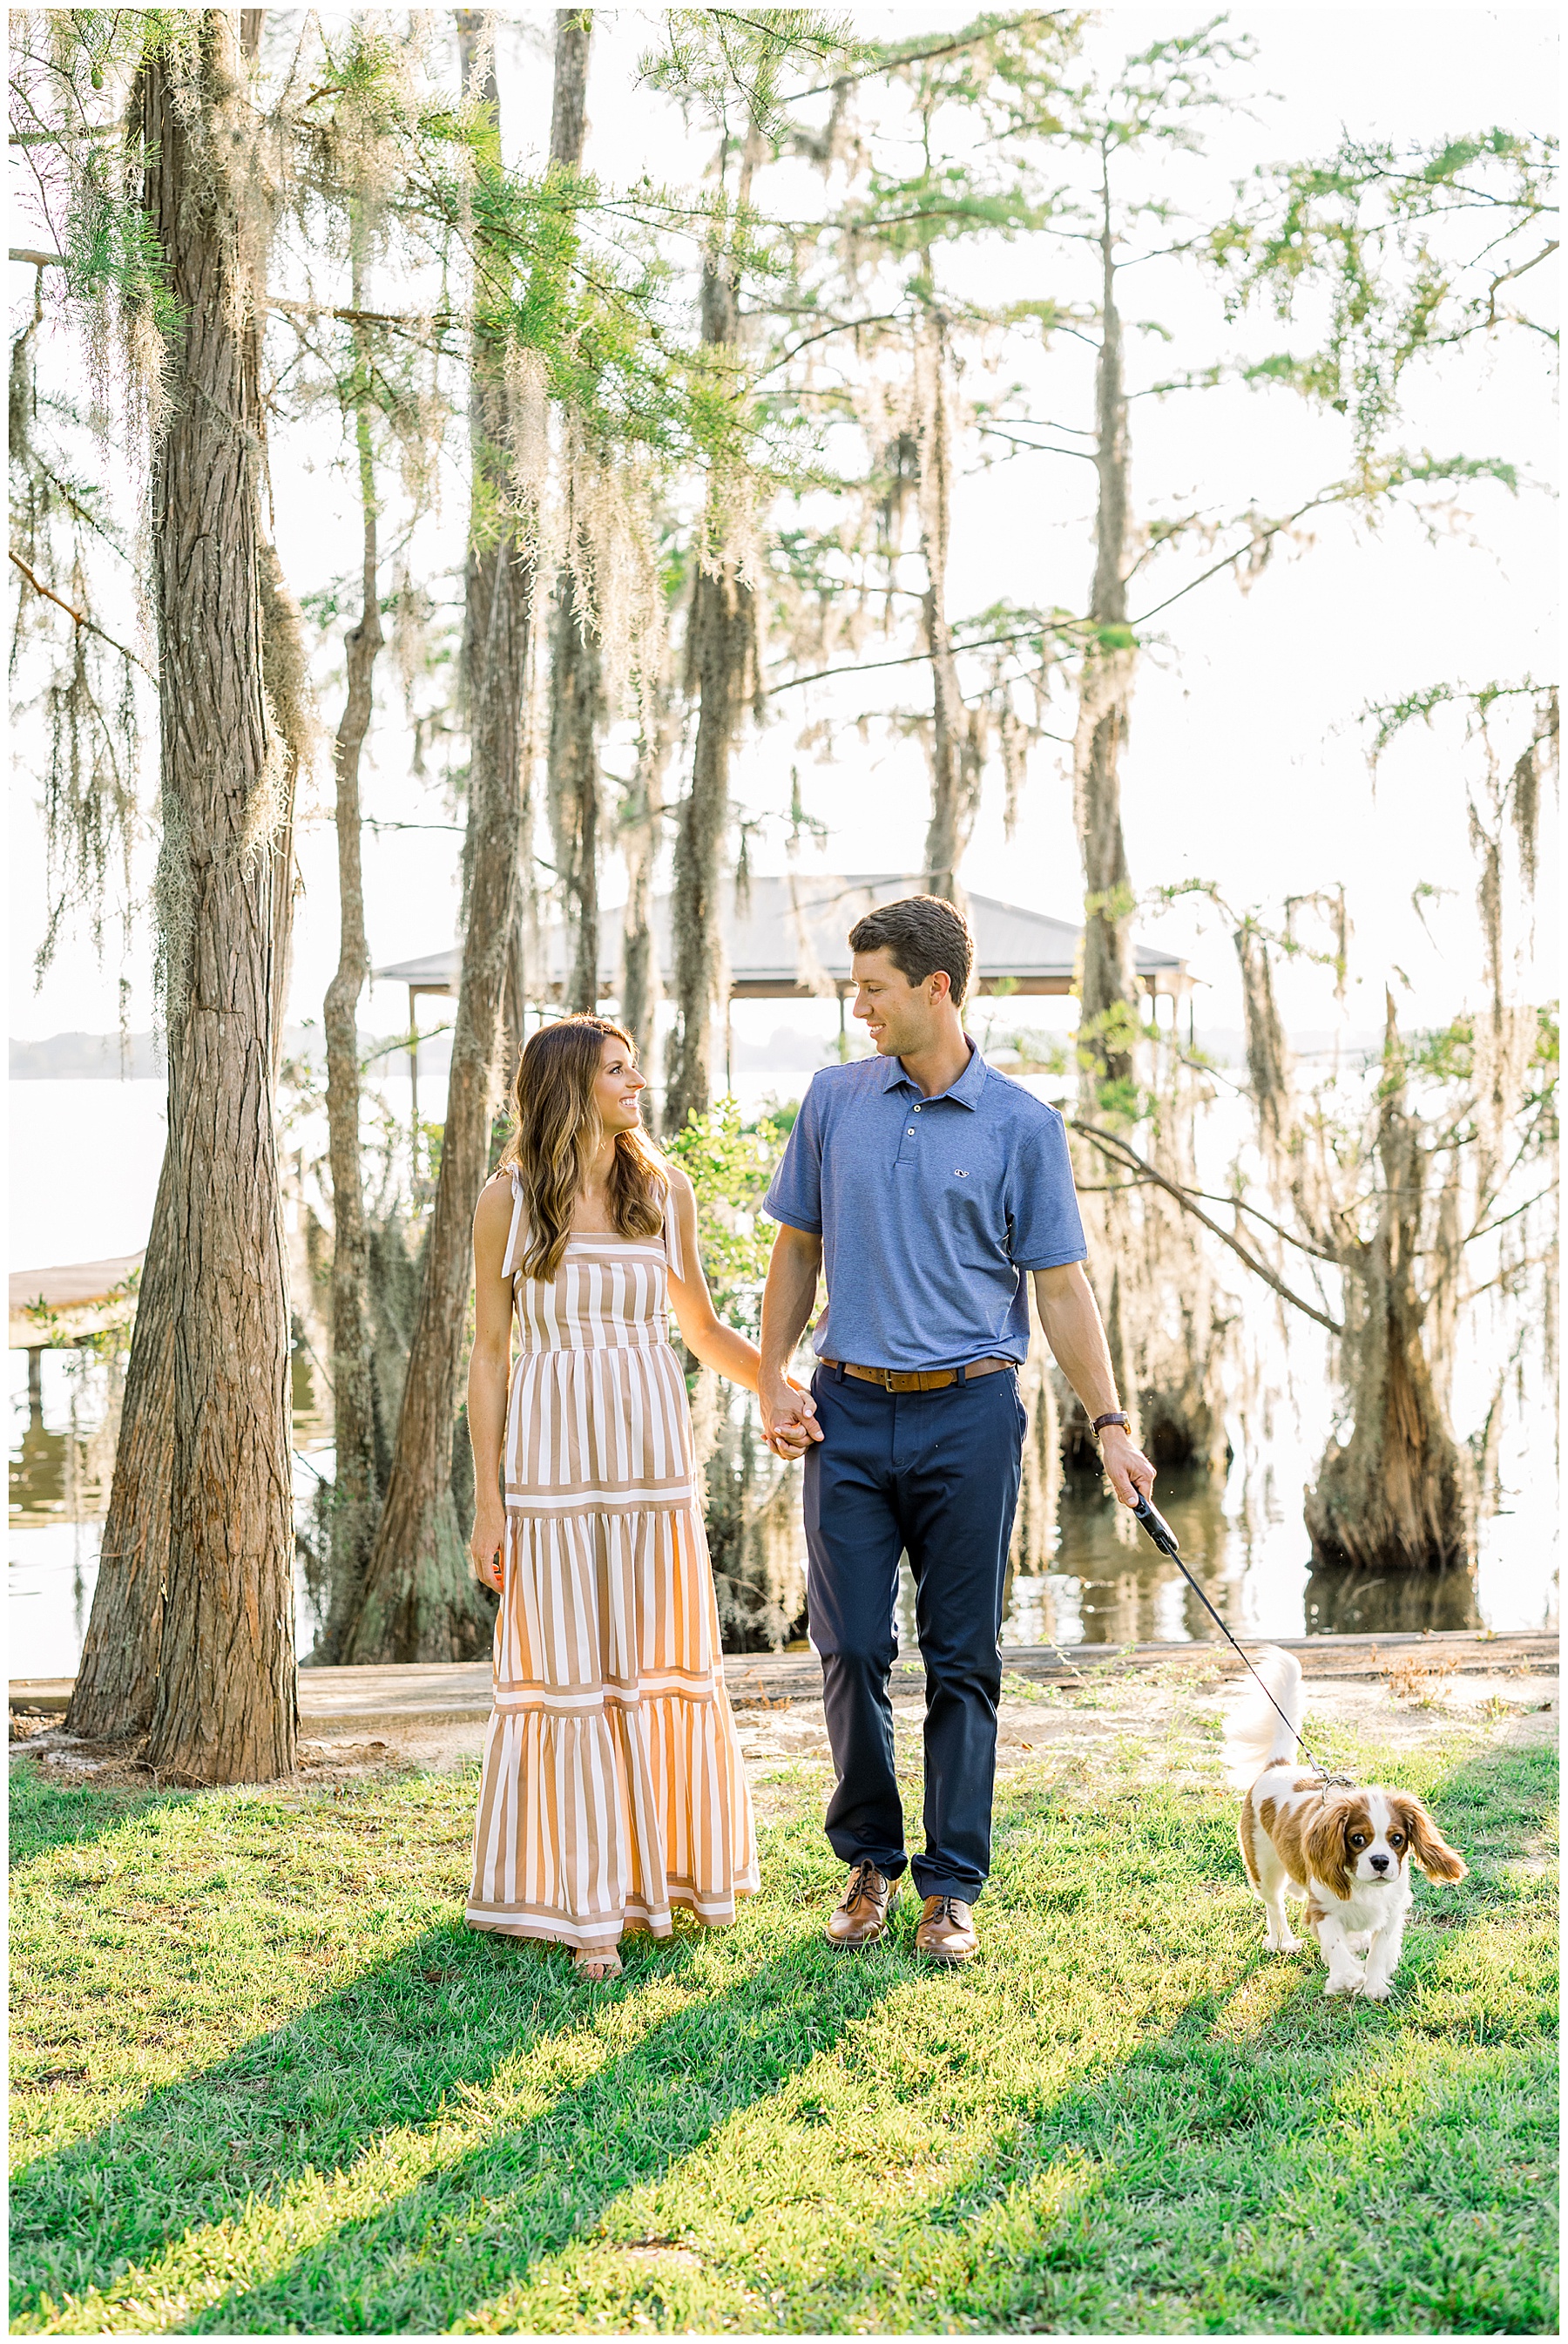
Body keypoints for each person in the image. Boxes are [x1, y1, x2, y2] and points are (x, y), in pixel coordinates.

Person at [758, 894, 1157, 1967]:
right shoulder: (834, 1100)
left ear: (937, 988)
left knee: (964, 1656)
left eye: (876, 988)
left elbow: (1063, 1289)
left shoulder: (1023, 1125)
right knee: (846, 1645)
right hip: (845, 1409)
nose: (860, 1009)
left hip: (972, 1413)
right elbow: (796, 1250)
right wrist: (772, 1377)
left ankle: (951, 1887)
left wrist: (1110, 1422)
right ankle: (870, 1861)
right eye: (856, 989)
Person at [463, 1014, 812, 1980]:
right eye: (619, 1070)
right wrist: (489, 1504)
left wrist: (775, 1388)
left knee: (655, 1654)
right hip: (552, 1459)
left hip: (651, 1458)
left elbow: (698, 1325)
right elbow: (489, 1359)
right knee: (573, 1665)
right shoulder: (510, 1199)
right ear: (570, 1086)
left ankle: (672, 1873)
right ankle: (587, 1906)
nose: (639, 1083)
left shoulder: (662, 1190)